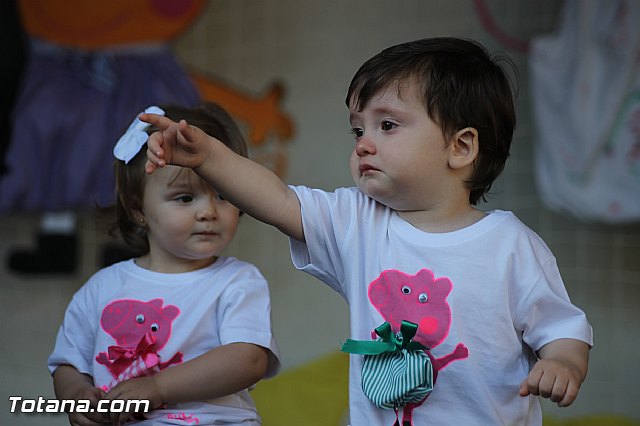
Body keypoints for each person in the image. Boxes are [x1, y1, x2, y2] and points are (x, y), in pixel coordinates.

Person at [143, 37, 593, 425]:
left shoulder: (510, 245)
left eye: (388, 125)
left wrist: (563, 362)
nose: (363, 142)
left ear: (461, 147)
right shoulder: (358, 221)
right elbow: (278, 200)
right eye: (357, 128)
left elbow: (562, 328)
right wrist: (209, 159)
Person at [48, 103, 280, 425]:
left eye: (222, 195)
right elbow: (69, 365)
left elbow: (249, 359)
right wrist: (77, 398)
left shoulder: (237, 280)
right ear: (137, 208)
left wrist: (158, 387)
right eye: (185, 198)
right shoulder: (102, 288)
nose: (209, 212)